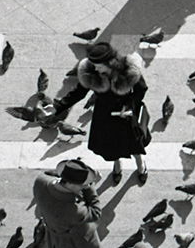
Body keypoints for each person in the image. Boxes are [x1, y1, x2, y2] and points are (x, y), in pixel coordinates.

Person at [50, 42, 151, 185]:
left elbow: (141, 89)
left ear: (109, 62)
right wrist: (58, 107)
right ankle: (117, 166)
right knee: (111, 146)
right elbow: (78, 93)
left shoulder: (128, 70)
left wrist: (129, 106)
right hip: (105, 114)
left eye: (98, 65)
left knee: (134, 145)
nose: (95, 68)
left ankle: (141, 166)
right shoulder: (90, 72)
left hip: (126, 114)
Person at [33, 159, 109, 248]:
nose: (82, 188)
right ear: (72, 184)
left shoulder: (40, 181)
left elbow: (50, 175)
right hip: (74, 241)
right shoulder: (74, 210)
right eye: (81, 185)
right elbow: (96, 212)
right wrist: (90, 188)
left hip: (54, 232)